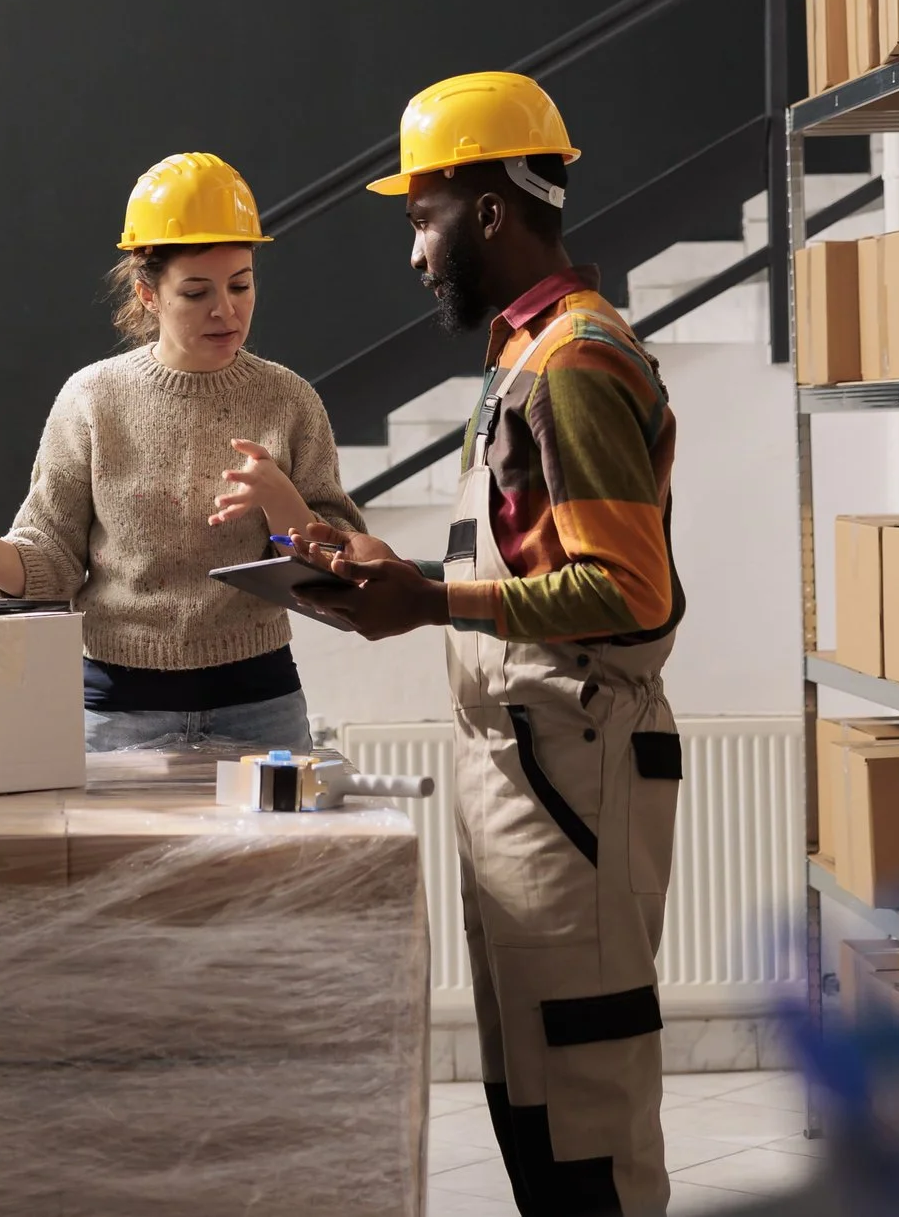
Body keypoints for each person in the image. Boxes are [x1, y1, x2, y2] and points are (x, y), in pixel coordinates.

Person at [288, 72, 684, 1216]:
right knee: (530, 1090)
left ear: (492, 209)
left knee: (587, 1094)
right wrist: (369, 574)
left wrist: (428, 599)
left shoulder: (574, 360)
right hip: (518, 760)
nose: (416, 251)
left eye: (423, 214)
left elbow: (626, 584)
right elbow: (521, 556)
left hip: (572, 764)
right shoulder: (522, 353)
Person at [0, 152, 362, 752]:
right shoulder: (92, 398)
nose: (225, 310)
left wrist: (283, 502)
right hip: (118, 712)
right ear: (147, 293)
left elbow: (339, 563)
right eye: (196, 291)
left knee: (268, 852)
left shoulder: (289, 399)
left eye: (241, 284)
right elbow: (50, 561)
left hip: (260, 704)